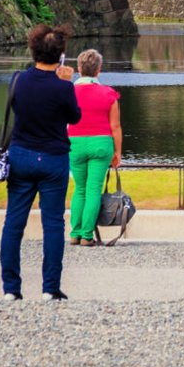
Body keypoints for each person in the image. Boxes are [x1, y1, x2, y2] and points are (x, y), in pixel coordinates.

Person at [0, 24, 80, 301]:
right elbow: (74, 118)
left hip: (21, 155)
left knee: (13, 222)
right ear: (61, 55)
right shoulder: (63, 87)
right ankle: (50, 288)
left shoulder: (18, 80)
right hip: (53, 158)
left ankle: (11, 289)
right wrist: (66, 82)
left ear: (32, 50)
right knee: (54, 224)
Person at [66, 49, 122, 247]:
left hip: (75, 143)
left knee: (79, 188)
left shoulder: (68, 92)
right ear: (99, 70)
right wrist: (118, 152)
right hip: (101, 144)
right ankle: (87, 235)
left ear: (79, 69)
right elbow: (115, 126)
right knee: (93, 190)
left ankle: (75, 232)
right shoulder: (108, 93)